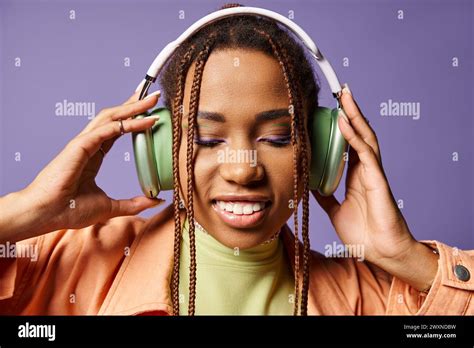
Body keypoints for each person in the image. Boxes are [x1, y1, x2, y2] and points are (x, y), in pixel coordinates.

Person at [0, 4, 472, 316]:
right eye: (207, 139)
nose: (243, 168)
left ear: (320, 151)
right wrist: (24, 212)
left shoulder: (370, 300)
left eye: (277, 136)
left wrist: (406, 258)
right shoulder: (60, 266)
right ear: (159, 153)